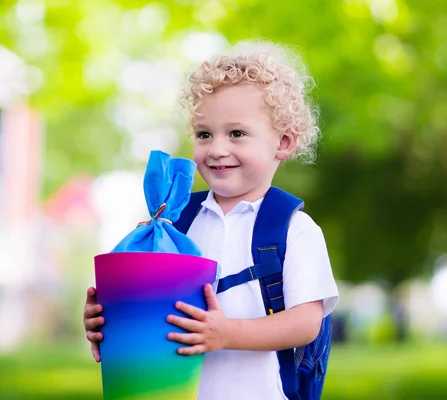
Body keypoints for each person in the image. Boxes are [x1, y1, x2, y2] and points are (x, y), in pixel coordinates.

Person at [83, 40, 339, 400]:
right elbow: (147, 309)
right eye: (205, 134)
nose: (217, 149)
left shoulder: (294, 230)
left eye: (236, 133)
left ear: (282, 142)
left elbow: (305, 323)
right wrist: (106, 319)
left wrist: (226, 333)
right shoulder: (174, 225)